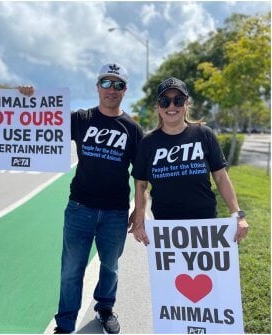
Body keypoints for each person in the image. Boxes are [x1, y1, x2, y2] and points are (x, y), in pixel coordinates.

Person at [19, 63, 144, 334]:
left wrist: (140, 210)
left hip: (116, 212)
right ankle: (65, 325)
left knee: (110, 267)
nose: (112, 89)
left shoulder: (132, 129)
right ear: (97, 86)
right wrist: (29, 99)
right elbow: (42, 120)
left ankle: (105, 309)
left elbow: (141, 175)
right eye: (106, 83)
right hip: (80, 209)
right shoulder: (81, 119)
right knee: (71, 271)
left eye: (118, 84)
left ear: (125, 90)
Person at [129, 77, 249, 245]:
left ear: (187, 104)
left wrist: (237, 215)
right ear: (158, 107)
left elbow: (221, 178)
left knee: (207, 272)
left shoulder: (204, 134)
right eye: (165, 101)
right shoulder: (147, 143)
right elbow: (141, 185)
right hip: (166, 227)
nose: (171, 106)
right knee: (172, 272)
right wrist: (140, 220)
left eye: (178, 100)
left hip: (204, 223)